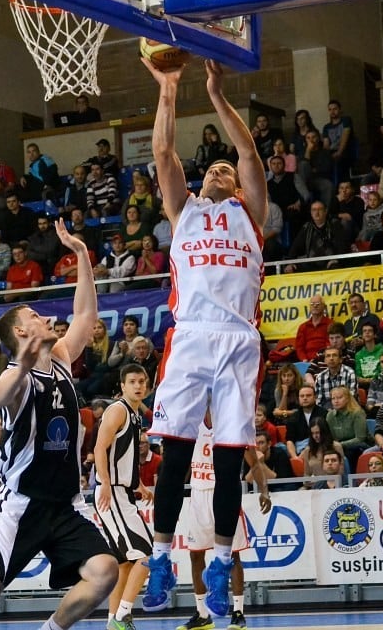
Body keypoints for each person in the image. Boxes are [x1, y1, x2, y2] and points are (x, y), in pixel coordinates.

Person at [140, 57, 267, 620]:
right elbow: (163, 155)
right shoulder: (184, 210)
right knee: (177, 453)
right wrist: (169, 90)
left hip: (238, 337)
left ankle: (219, 565)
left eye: (226, 167)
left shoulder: (251, 213)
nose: (220, 167)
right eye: (211, 165)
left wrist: (216, 92)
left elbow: (249, 154)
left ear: (237, 185)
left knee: (231, 458)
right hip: (190, 335)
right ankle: (162, 558)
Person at [0, 220, 117, 630]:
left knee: (105, 571)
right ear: (22, 331)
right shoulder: (17, 376)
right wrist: (22, 360)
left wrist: (80, 255)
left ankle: (50, 629)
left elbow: (86, 314)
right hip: (21, 504)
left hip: (63, 504)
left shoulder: (58, 357)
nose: (46, 318)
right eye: (36, 315)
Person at [180, 411, 271, 630]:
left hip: (224, 493)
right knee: (195, 555)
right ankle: (202, 615)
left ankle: (238, 613)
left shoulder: (233, 423)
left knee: (233, 555)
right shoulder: (189, 423)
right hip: (198, 494)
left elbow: (254, 463)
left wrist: (264, 490)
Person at [92, 364, 154, 630]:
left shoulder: (136, 414)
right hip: (112, 491)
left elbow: (124, 455)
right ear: (122, 385)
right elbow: (99, 447)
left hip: (123, 490)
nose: (138, 386)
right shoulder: (118, 410)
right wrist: (105, 482)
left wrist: (139, 483)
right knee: (147, 555)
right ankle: (122, 617)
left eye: (142, 381)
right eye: (133, 381)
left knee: (126, 563)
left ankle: (111, 622)